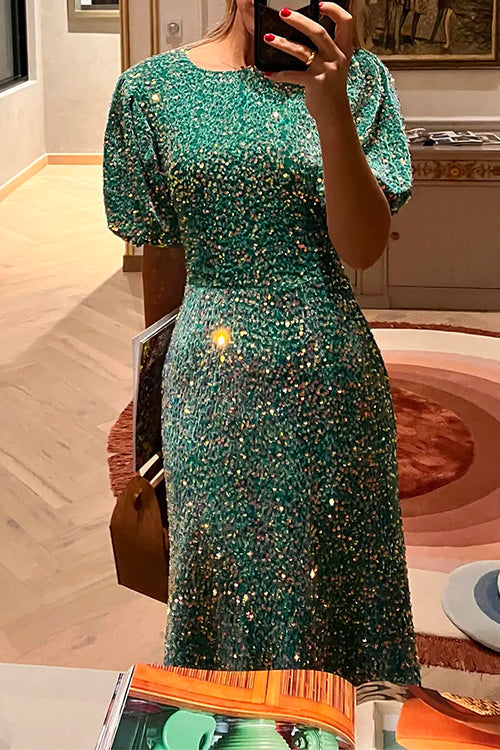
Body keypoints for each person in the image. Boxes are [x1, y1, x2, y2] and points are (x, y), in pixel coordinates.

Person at [103, 0, 421, 688]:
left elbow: (362, 248)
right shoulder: (151, 91)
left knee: (337, 582)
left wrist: (330, 108)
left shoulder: (359, 79)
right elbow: (163, 255)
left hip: (331, 377)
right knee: (221, 581)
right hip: (208, 382)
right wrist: (151, 409)